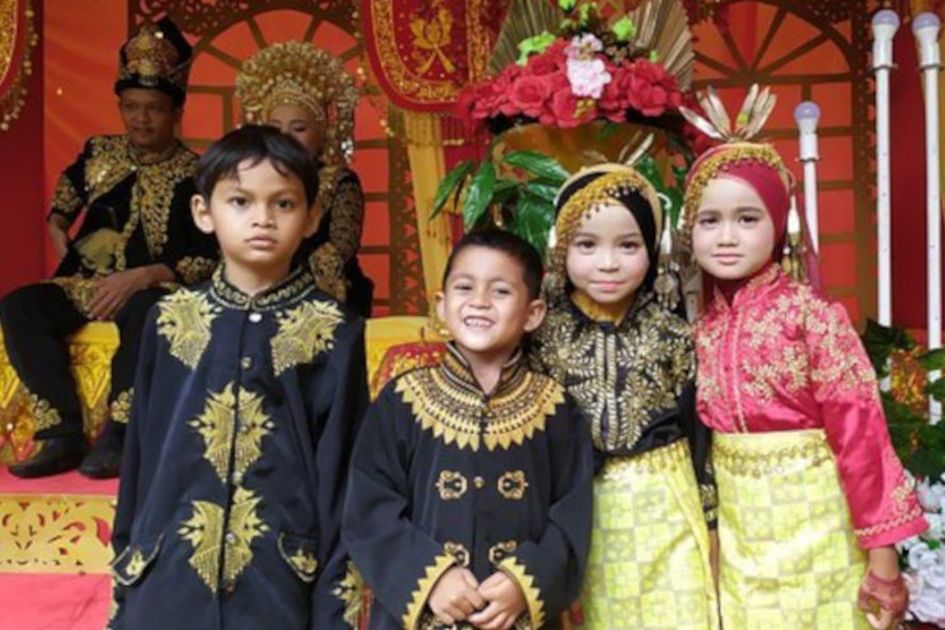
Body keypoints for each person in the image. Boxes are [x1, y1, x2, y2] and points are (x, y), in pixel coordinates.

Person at [681, 86, 927, 630]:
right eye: (709, 220)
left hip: (821, 534)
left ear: (778, 225)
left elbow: (863, 437)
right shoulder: (700, 330)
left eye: (748, 218)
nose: (726, 237)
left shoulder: (813, 316)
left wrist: (883, 560)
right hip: (743, 547)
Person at [108, 125, 368, 629]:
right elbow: (141, 453)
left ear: (313, 217)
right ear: (203, 212)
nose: (262, 218)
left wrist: (333, 606)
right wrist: (129, 566)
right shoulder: (169, 320)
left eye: (283, 204)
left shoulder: (332, 329)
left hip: (279, 578)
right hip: (168, 574)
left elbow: (342, 473)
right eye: (240, 201)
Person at [0, 17, 217, 479]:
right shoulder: (99, 152)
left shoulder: (198, 175)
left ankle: (120, 434)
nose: (141, 119)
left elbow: (207, 257)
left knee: (147, 311)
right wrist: (58, 224)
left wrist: (144, 275)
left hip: (151, 290)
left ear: (176, 112)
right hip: (86, 284)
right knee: (21, 305)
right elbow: (66, 196)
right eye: (131, 107)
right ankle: (61, 433)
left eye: (154, 109)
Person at [343, 229, 593, 630]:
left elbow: (572, 517)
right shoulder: (402, 400)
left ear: (533, 314)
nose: (479, 301)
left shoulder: (555, 408)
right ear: (441, 305)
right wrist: (429, 576)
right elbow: (368, 507)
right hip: (422, 615)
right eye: (464, 287)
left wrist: (525, 583)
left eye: (500, 291)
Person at [529, 163, 718, 629]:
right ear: (560, 249)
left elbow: (700, 434)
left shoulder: (672, 333)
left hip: (667, 506)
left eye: (628, 246)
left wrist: (712, 521)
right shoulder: (541, 335)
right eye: (587, 245)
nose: (608, 263)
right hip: (581, 513)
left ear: (652, 250)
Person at [235, 41, 373, 317]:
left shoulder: (339, 182)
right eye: (275, 128)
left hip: (323, 293)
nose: (285, 137)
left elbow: (340, 248)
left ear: (322, 134)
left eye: (298, 128)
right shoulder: (250, 181)